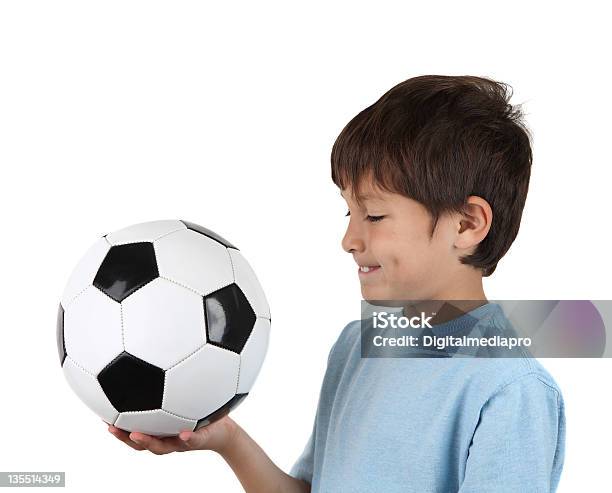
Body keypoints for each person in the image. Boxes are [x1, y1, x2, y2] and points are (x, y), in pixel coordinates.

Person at [107, 75, 565, 492]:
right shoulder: (357, 347)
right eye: (350, 211)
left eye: (375, 215)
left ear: (466, 224)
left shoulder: (511, 390)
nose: (350, 239)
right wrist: (225, 438)